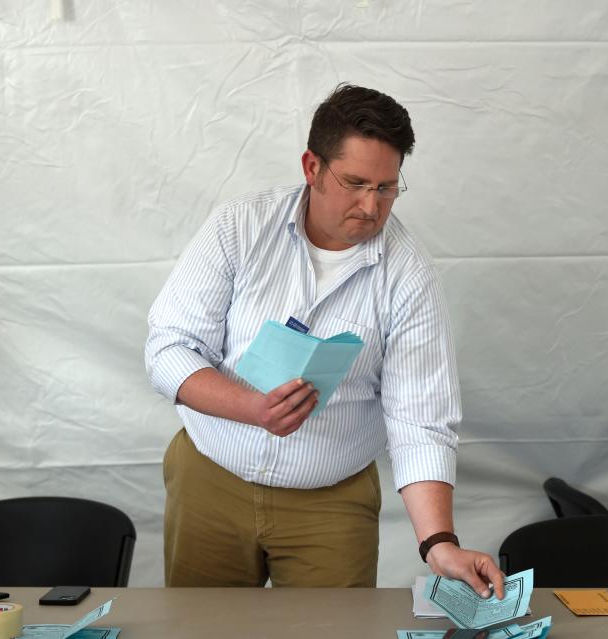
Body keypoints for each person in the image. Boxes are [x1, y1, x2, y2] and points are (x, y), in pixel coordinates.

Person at [146, 84, 504, 598]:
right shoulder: (239, 226)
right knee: (197, 631)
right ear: (311, 167)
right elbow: (168, 349)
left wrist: (439, 543)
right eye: (355, 182)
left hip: (330, 501)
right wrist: (253, 408)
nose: (370, 205)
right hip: (209, 481)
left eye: (386, 187)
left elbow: (420, 418)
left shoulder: (409, 274)